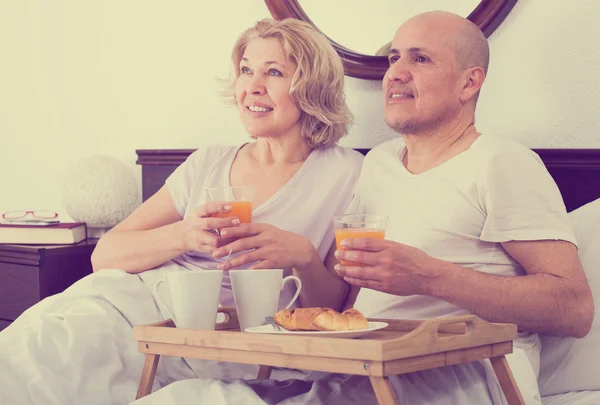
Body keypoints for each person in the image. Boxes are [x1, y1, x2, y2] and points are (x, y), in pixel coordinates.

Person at [130, 11, 594, 405]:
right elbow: (342, 305)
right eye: (394, 57)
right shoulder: (381, 165)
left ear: (469, 82)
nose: (396, 72)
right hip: (361, 368)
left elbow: (574, 310)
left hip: (462, 377)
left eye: (421, 59)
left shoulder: (503, 163)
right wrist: (302, 259)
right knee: (184, 396)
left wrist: (430, 276)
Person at [0, 18, 364, 405]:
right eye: (245, 70)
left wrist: (304, 256)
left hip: (219, 341)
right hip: (131, 310)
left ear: (311, 86)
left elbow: (338, 311)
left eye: (273, 72)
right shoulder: (206, 163)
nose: (252, 86)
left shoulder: (346, 175)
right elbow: (104, 255)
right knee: (28, 357)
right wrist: (184, 234)